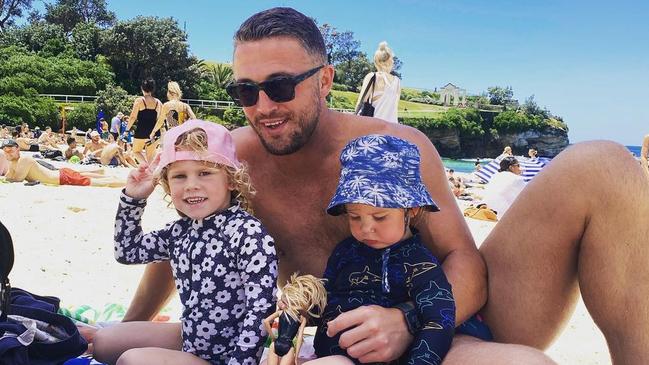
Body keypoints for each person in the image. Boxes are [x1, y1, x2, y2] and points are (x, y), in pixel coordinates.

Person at [121, 7, 649, 364]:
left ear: (325, 81)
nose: (263, 107)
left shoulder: (396, 145)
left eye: (280, 86)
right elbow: (188, 241)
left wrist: (409, 320)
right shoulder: (232, 158)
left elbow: (464, 262)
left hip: (440, 319)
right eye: (246, 90)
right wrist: (128, 327)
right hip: (326, 342)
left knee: (601, 163)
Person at [93, 120, 278, 365]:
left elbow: (262, 309)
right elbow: (127, 251)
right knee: (103, 343)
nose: (191, 185)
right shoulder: (180, 231)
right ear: (168, 185)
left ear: (232, 180)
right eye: (180, 176)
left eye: (205, 173)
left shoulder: (248, 234)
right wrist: (134, 199)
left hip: (229, 356)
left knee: (132, 360)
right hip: (191, 338)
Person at [306, 135, 458, 365]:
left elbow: (440, 319)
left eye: (380, 217)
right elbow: (324, 297)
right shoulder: (345, 251)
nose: (366, 229)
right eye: (355, 216)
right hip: (328, 355)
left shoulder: (419, 263)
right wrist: (301, 304)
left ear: (412, 210)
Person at [263, 274, 327, 365]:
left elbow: (266, 322)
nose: (280, 303)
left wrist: (273, 338)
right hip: (289, 347)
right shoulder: (302, 318)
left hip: (276, 344)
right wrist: (296, 356)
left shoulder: (281, 313)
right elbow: (300, 338)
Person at [1, 139, 124, 187]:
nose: (8, 154)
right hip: (60, 174)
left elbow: (17, 179)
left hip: (61, 178)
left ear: (18, 149)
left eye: (10, 151)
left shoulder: (24, 160)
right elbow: (8, 176)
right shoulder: (13, 161)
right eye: (5, 151)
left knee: (99, 183)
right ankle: (105, 174)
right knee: (86, 176)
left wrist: (6, 178)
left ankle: (124, 183)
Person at [354, 41, 401, 123]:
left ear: (376, 62)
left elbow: (360, 103)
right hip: (393, 129)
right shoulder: (397, 81)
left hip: (374, 128)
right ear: (391, 61)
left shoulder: (372, 77)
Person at [127, 77, 162, 164]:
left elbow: (132, 117)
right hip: (154, 133)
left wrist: (127, 129)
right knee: (150, 157)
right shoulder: (158, 102)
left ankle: (145, 167)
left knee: (136, 151)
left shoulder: (139, 101)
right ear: (152, 89)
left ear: (142, 88)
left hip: (141, 132)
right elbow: (159, 119)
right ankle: (150, 173)